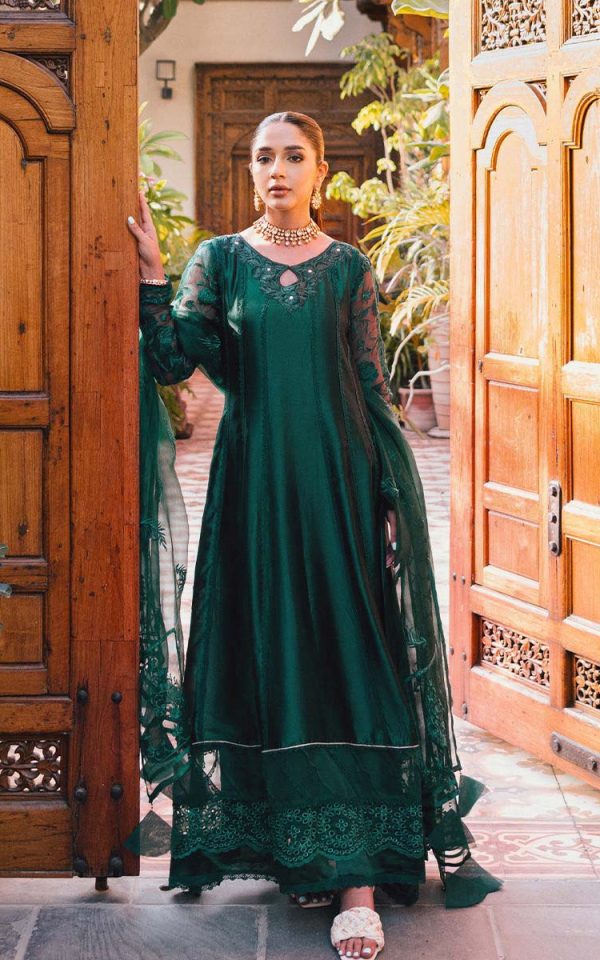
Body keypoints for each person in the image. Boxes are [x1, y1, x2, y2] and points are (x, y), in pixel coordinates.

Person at [126, 111, 502, 959]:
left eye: (294, 156)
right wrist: (152, 275)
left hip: (339, 487)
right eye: (264, 156)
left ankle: (356, 880)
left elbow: (369, 385)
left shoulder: (348, 269)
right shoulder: (220, 260)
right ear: (250, 169)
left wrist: (389, 497)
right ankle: (295, 850)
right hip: (254, 493)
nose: (277, 169)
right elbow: (173, 360)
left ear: (320, 171)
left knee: (349, 657)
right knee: (268, 653)